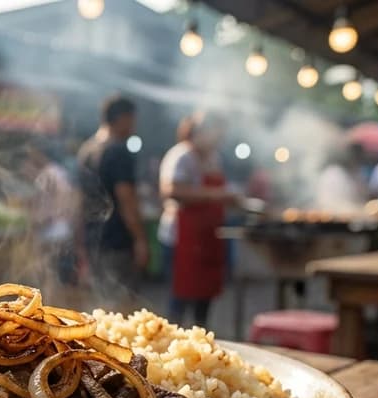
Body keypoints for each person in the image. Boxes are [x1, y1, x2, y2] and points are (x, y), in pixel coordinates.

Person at [158, 112, 238, 328]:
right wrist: (216, 195)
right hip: (181, 237)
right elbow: (170, 190)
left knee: (205, 295)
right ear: (199, 132)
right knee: (180, 296)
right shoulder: (181, 156)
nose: (219, 138)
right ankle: (171, 341)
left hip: (208, 236)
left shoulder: (214, 158)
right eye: (215, 132)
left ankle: (201, 342)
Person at [77, 95, 147, 295]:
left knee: (99, 302)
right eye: (133, 120)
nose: (134, 126)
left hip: (93, 240)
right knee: (121, 307)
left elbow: (79, 199)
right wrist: (141, 240)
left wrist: (80, 242)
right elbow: (127, 200)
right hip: (117, 242)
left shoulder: (87, 149)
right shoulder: (118, 151)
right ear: (123, 118)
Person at [24, 139, 81, 285]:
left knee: (53, 273)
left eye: (33, 154)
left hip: (54, 230)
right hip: (54, 229)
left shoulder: (51, 174)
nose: (31, 158)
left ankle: (54, 301)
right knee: (51, 273)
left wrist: (43, 219)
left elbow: (62, 200)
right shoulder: (52, 172)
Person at [315, 143, 369, 213]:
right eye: (355, 157)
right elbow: (330, 204)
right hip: (336, 219)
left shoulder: (357, 174)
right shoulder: (333, 174)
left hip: (357, 217)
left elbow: (363, 197)